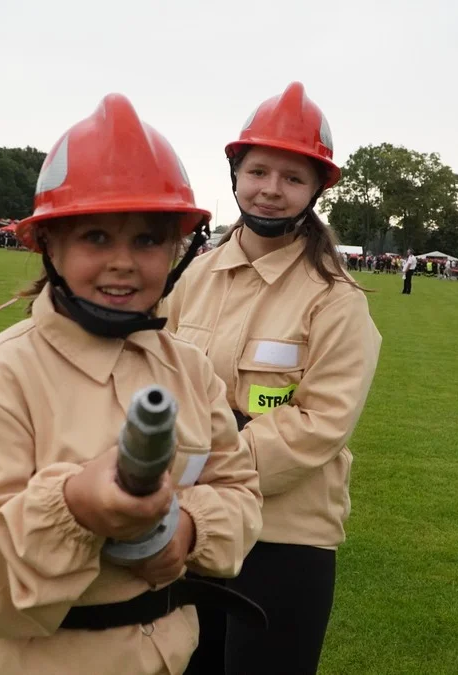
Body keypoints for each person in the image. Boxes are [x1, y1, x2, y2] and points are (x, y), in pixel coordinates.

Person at [0, 94, 263, 675]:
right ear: (49, 245)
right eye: (96, 237)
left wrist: (191, 529)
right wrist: (73, 507)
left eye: (148, 240)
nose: (124, 262)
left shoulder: (190, 370)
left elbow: (239, 489)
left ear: (178, 249)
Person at [165, 82, 382, 675]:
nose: (270, 190)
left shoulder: (336, 300)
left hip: (286, 537)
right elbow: (155, 375)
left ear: (316, 190)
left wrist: (212, 458)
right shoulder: (196, 274)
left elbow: (321, 424)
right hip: (194, 525)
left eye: (292, 178)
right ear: (235, 173)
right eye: (258, 170)